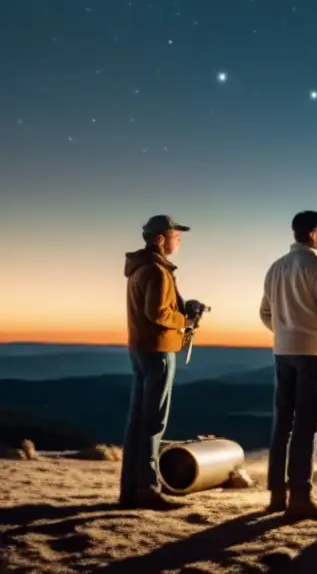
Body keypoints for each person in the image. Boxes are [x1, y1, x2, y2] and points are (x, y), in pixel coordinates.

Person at [259, 210, 317, 520]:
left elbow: (265, 312)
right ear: (313, 233)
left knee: (283, 422)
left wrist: (284, 333)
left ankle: (277, 494)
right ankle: (301, 496)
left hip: (283, 352)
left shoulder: (276, 267)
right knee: (308, 424)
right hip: (314, 352)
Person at [120, 214, 197, 510]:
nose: (178, 241)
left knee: (137, 420)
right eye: (175, 236)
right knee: (153, 421)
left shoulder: (139, 269)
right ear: (159, 239)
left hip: (140, 348)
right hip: (159, 350)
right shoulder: (156, 271)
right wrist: (185, 319)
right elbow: (157, 313)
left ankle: (130, 489)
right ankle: (148, 489)